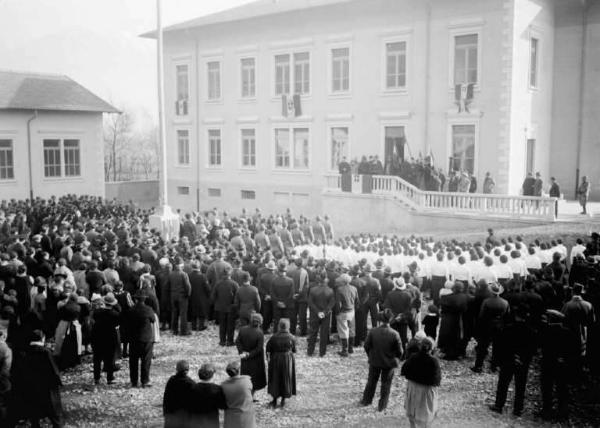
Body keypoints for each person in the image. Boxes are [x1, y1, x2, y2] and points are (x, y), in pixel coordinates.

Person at [488, 306, 537, 416]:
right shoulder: (531, 331)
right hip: (523, 362)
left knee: (503, 383)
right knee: (520, 385)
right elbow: (533, 349)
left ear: (516, 316)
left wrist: (496, 362)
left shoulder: (507, 329)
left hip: (508, 360)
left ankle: (499, 405)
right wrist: (523, 358)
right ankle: (518, 409)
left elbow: (500, 346)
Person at [11, 329, 62, 428]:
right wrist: (58, 382)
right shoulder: (45, 352)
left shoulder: (24, 352)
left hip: (31, 386)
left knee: (34, 413)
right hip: (47, 386)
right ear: (42, 338)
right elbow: (53, 370)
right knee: (54, 413)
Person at [360, 309, 403, 411]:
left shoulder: (373, 331)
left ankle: (366, 400)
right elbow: (400, 351)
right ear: (390, 320)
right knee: (386, 384)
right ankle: (382, 406)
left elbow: (366, 346)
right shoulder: (395, 334)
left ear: (379, 320)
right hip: (389, 363)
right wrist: (396, 359)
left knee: (371, 381)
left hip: (375, 361)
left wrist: (370, 356)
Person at [401, 337, 441, 428]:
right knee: (426, 412)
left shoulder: (413, 357)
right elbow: (437, 380)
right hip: (426, 390)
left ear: (420, 346)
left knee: (412, 409)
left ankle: (412, 426)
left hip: (413, 387)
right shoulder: (434, 361)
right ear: (431, 348)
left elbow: (404, 370)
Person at [266, 318, 297, 407]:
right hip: (287, 360)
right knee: (286, 378)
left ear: (279, 326)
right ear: (288, 326)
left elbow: (268, 349)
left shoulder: (273, 337)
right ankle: (283, 399)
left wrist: (269, 359)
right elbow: (294, 350)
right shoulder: (291, 337)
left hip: (275, 359)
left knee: (275, 378)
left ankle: (274, 400)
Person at [128, 290, 156, 388]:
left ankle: (134, 381)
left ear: (135, 299)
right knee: (146, 360)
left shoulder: (131, 309)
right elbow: (153, 320)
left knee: (133, 361)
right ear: (145, 299)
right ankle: (145, 380)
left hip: (133, 338)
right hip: (146, 338)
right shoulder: (148, 309)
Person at [90, 295, 120, 385]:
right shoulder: (115, 314)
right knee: (110, 358)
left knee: (97, 359)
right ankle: (110, 378)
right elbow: (117, 324)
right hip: (110, 337)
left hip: (97, 337)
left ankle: (96, 378)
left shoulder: (97, 312)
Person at [235, 313, 267, 397]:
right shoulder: (259, 333)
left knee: (245, 375)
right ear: (260, 322)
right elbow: (259, 348)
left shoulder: (242, 329)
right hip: (256, 359)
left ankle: (246, 394)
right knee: (255, 378)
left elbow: (237, 341)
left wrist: (242, 352)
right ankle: (251, 395)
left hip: (244, 358)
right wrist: (249, 354)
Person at [190, 363, 227, 428]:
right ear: (212, 375)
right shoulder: (217, 389)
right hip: (212, 422)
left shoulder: (192, 388)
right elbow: (222, 406)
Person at [307, 274, 335, 357]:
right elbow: (332, 303)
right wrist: (324, 312)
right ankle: (322, 352)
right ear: (326, 281)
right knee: (324, 333)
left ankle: (310, 351)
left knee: (313, 332)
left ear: (318, 281)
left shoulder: (312, 290)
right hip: (326, 315)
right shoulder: (330, 290)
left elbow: (310, 302)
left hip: (315, 314)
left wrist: (318, 312)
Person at [221, 360, 256, 428]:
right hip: (246, 417)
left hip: (231, 418)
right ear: (239, 370)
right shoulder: (246, 380)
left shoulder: (223, 385)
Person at [212, 266, 239, 346]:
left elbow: (213, 296)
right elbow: (237, 297)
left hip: (220, 307)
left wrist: (217, 303)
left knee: (222, 325)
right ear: (230, 274)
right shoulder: (234, 284)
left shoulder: (218, 283)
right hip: (231, 307)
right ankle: (230, 341)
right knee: (230, 325)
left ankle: (222, 341)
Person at [163, 360, 195, 428]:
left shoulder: (171, 380)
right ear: (187, 370)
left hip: (171, 415)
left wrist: (165, 412)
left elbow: (166, 398)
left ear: (177, 369)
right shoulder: (191, 383)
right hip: (185, 416)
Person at [335, 273, 358, 357]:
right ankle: (351, 348)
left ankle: (344, 350)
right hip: (352, 311)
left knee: (344, 330)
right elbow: (357, 301)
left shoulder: (339, 289)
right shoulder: (354, 288)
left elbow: (338, 303)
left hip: (343, 312)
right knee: (352, 329)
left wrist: (337, 312)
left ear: (343, 281)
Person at [169, 260, 191, 336]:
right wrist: (188, 294)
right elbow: (187, 286)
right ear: (181, 265)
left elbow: (167, 285)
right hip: (182, 296)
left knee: (174, 313)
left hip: (173, 295)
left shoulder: (171, 274)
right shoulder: (184, 274)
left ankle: (174, 330)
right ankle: (183, 331)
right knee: (183, 314)